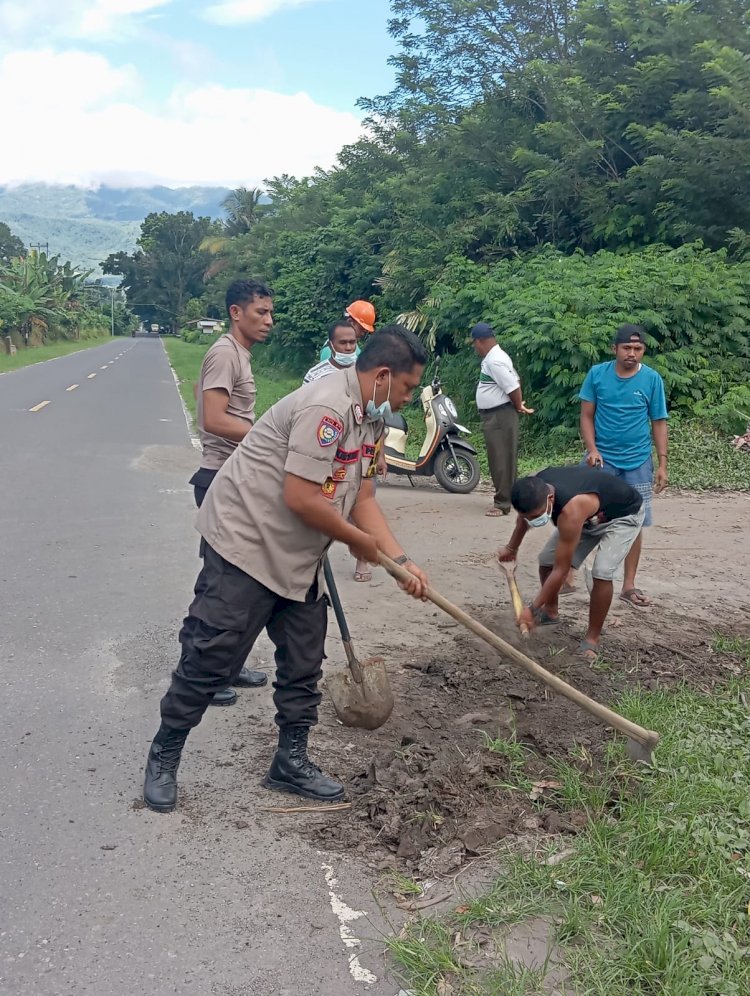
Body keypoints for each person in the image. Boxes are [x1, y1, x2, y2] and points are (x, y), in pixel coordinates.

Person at [143, 324, 430, 813]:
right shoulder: (327, 407)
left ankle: (290, 762)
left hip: (300, 552)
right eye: (406, 387)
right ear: (383, 375)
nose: (406, 398)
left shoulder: (372, 419)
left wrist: (399, 562)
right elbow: (300, 496)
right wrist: (357, 542)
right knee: (213, 653)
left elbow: (361, 496)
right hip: (247, 542)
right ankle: (165, 753)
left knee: (303, 661)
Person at [187, 279, 273, 704]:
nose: (269, 321)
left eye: (271, 313)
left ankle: (228, 663)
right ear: (236, 312)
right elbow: (213, 419)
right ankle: (204, 673)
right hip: (219, 477)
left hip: (233, 476)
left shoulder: (239, 354)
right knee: (220, 582)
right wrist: (267, 438)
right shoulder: (224, 353)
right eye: (261, 313)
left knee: (237, 579)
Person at [498, 466, 645, 659]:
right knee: (546, 561)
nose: (533, 521)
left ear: (550, 499)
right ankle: (550, 612)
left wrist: (532, 609)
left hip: (622, 516)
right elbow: (523, 519)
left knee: (601, 572)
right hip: (590, 517)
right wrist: (512, 548)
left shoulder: (571, 510)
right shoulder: (535, 489)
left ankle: (592, 639)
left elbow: (561, 570)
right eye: (529, 517)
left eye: (536, 516)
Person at [579, 324, 668, 607]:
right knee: (587, 515)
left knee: (635, 521)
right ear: (614, 348)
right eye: (627, 348)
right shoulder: (597, 375)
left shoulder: (652, 380)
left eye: (638, 349)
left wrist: (662, 463)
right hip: (602, 459)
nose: (632, 354)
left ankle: (629, 585)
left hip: (638, 461)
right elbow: (586, 416)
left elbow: (659, 422)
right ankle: (577, 572)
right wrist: (592, 449)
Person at [307, 320, 388, 582]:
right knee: (322, 507)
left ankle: (362, 561)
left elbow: (379, 421)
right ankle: (314, 561)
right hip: (327, 455)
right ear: (331, 345)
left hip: (361, 454)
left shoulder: (367, 374)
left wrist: (381, 455)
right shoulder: (315, 376)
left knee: (361, 504)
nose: (348, 347)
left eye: (353, 342)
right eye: (343, 343)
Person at [471, 322, 534, 517]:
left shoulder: (494, 360)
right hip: (498, 414)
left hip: (499, 414)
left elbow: (513, 386)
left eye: (474, 344)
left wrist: (517, 405)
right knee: (503, 458)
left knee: (500, 459)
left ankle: (502, 503)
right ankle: (512, 499)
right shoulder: (496, 356)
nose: (474, 348)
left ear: (480, 341)